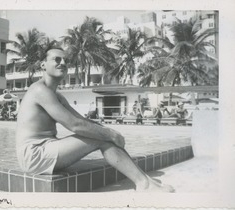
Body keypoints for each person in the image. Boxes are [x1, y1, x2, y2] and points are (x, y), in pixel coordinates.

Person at [15, 47, 174, 192]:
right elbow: (74, 125)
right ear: (43, 65)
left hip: (46, 149)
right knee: (103, 138)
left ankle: (145, 180)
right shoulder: (39, 90)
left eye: (65, 60)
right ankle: (144, 185)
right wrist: (109, 135)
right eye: (57, 59)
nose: (63, 63)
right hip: (34, 155)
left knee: (102, 133)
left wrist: (107, 130)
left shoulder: (56, 95)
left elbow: (80, 119)